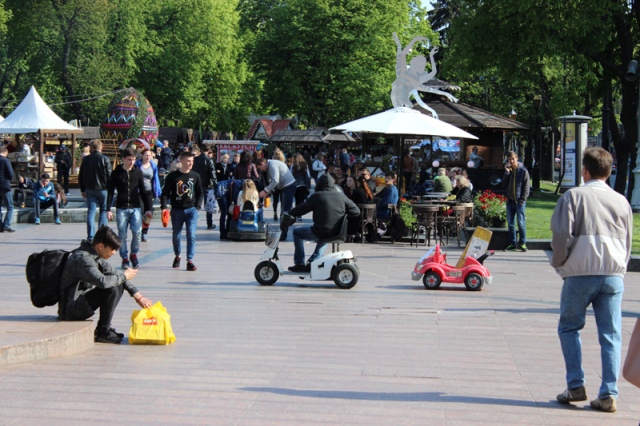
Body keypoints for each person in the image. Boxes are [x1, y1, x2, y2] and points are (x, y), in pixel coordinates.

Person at [551, 147, 632, 413]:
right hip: (613, 274)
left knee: (569, 328)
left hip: (580, 272)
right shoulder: (622, 201)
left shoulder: (573, 196)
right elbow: (629, 242)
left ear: (584, 170)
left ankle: (575, 385)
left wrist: (559, 263)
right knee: (611, 335)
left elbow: (562, 236)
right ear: (609, 171)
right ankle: (608, 392)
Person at [58, 226, 153, 343]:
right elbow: (102, 282)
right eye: (112, 249)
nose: (113, 253)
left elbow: (116, 274)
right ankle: (103, 330)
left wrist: (138, 296)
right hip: (70, 309)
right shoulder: (83, 259)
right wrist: (124, 276)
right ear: (101, 246)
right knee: (112, 286)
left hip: (80, 302)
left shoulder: (94, 255)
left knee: (117, 282)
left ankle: (104, 328)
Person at [286, 174, 360, 272]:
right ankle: (314, 260)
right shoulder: (341, 196)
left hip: (321, 231)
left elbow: (301, 209)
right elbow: (356, 211)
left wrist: (289, 213)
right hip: (337, 232)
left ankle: (299, 263)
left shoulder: (317, 196)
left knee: (297, 232)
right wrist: (343, 216)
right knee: (326, 230)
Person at [107, 148, 151, 270]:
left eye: (133, 159)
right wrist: (108, 209)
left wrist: (147, 208)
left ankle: (134, 254)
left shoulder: (138, 172)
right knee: (122, 234)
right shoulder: (116, 173)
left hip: (135, 207)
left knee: (137, 232)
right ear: (123, 159)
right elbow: (110, 191)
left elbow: (143, 191)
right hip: (121, 207)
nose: (131, 162)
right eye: (129, 160)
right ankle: (124, 257)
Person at [161, 151, 204, 271]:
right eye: (189, 161)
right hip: (177, 210)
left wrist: (197, 207)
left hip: (191, 210)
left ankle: (190, 260)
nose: (191, 163)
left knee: (191, 234)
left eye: (192, 161)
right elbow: (165, 193)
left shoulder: (195, 176)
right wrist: (164, 207)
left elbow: (200, 192)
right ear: (182, 161)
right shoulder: (173, 176)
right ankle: (178, 255)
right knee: (176, 235)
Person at [79, 139, 111, 242]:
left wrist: (82, 189)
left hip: (89, 188)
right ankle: (101, 236)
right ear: (101, 147)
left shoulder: (86, 160)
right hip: (103, 189)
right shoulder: (105, 159)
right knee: (103, 211)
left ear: (91, 148)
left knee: (91, 212)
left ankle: (91, 236)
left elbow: (81, 175)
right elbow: (109, 175)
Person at [257, 157, 296, 240]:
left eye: (260, 168)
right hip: (286, 186)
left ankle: (283, 234)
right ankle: (283, 232)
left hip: (288, 186)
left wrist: (265, 190)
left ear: (262, 163)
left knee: (285, 211)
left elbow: (275, 180)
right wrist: (271, 190)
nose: (261, 170)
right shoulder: (271, 164)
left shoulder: (272, 165)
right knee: (284, 210)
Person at [503, 151, 530, 252]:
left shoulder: (523, 171)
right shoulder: (509, 171)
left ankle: (522, 243)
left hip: (519, 201)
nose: (511, 161)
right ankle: (512, 243)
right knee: (510, 224)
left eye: (512, 159)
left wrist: (523, 199)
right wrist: (506, 172)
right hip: (510, 201)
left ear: (516, 158)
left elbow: (526, 186)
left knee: (521, 223)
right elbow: (504, 184)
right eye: (509, 159)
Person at [134, 148, 162, 242]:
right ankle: (139, 230)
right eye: (146, 155)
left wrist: (158, 192)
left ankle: (144, 232)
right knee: (140, 212)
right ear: (142, 156)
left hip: (149, 191)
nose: (147, 157)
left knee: (148, 213)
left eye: (149, 155)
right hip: (139, 192)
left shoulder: (153, 166)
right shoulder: (137, 165)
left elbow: (156, 179)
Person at [191, 145, 218, 230]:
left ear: (201, 150)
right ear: (209, 150)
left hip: (196, 184)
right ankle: (209, 223)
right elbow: (212, 174)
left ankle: (192, 222)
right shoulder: (209, 160)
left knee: (195, 203)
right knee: (208, 205)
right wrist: (215, 184)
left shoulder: (196, 160)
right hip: (207, 185)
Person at [0, 146, 15, 232]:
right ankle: (6, 225)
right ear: (6, 153)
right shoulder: (6, 160)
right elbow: (10, 174)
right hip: (5, 186)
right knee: (10, 206)